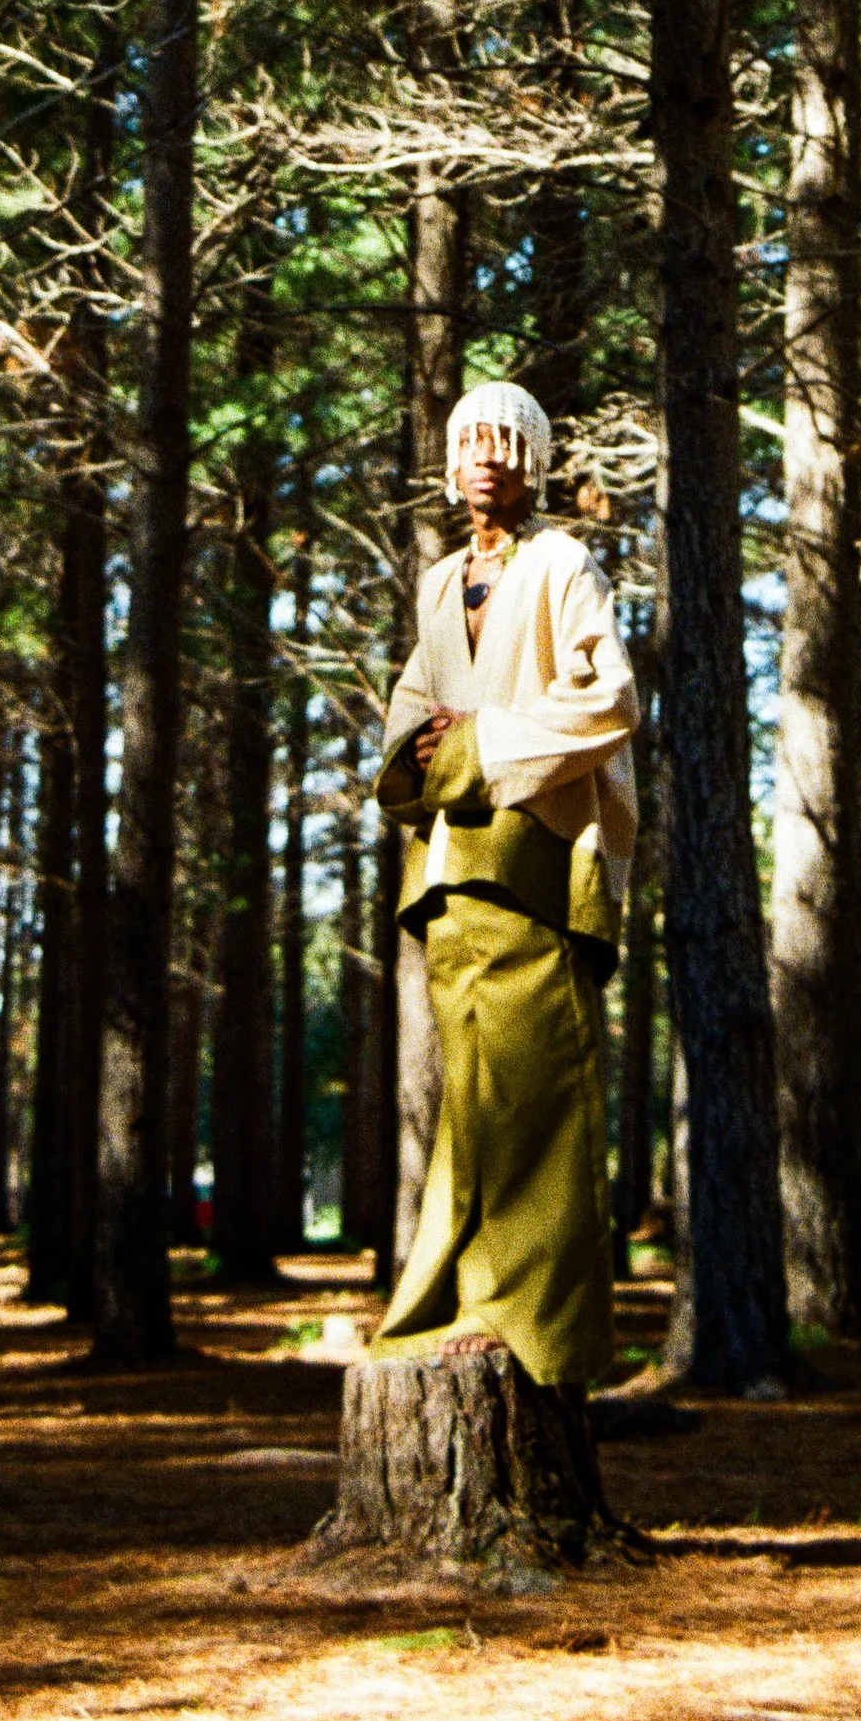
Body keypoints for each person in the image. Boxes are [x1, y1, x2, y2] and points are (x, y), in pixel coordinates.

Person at [370, 380, 638, 1393]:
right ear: (450, 466)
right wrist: (418, 754)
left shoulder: (564, 561)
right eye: (470, 443)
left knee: (538, 1093)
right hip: (452, 869)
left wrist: (482, 743)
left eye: (506, 442)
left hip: (539, 857)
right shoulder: (441, 586)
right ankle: (451, 1300)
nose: (487, 458)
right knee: (472, 1098)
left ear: (535, 462)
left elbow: (608, 696)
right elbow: (409, 709)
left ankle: (532, 1327)